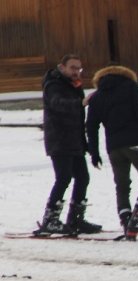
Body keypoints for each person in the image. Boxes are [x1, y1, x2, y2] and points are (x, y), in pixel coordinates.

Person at [86, 65, 138, 241]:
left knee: (122, 185)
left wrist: (94, 153)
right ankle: (137, 220)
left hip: (114, 148)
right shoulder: (130, 87)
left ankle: (127, 221)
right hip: (136, 144)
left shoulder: (97, 96)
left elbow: (91, 126)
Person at [35, 54, 103, 236]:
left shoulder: (73, 85)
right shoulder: (53, 84)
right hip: (59, 139)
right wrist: (80, 103)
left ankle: (76, 219)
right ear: (62, 67)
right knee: (63, 178)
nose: (76, 71)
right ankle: (50, 220)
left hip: (75, 140)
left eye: (79, 68)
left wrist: (85, 141)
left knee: (82, 177)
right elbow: (58, 104)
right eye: (73, 68)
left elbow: (78, 117)